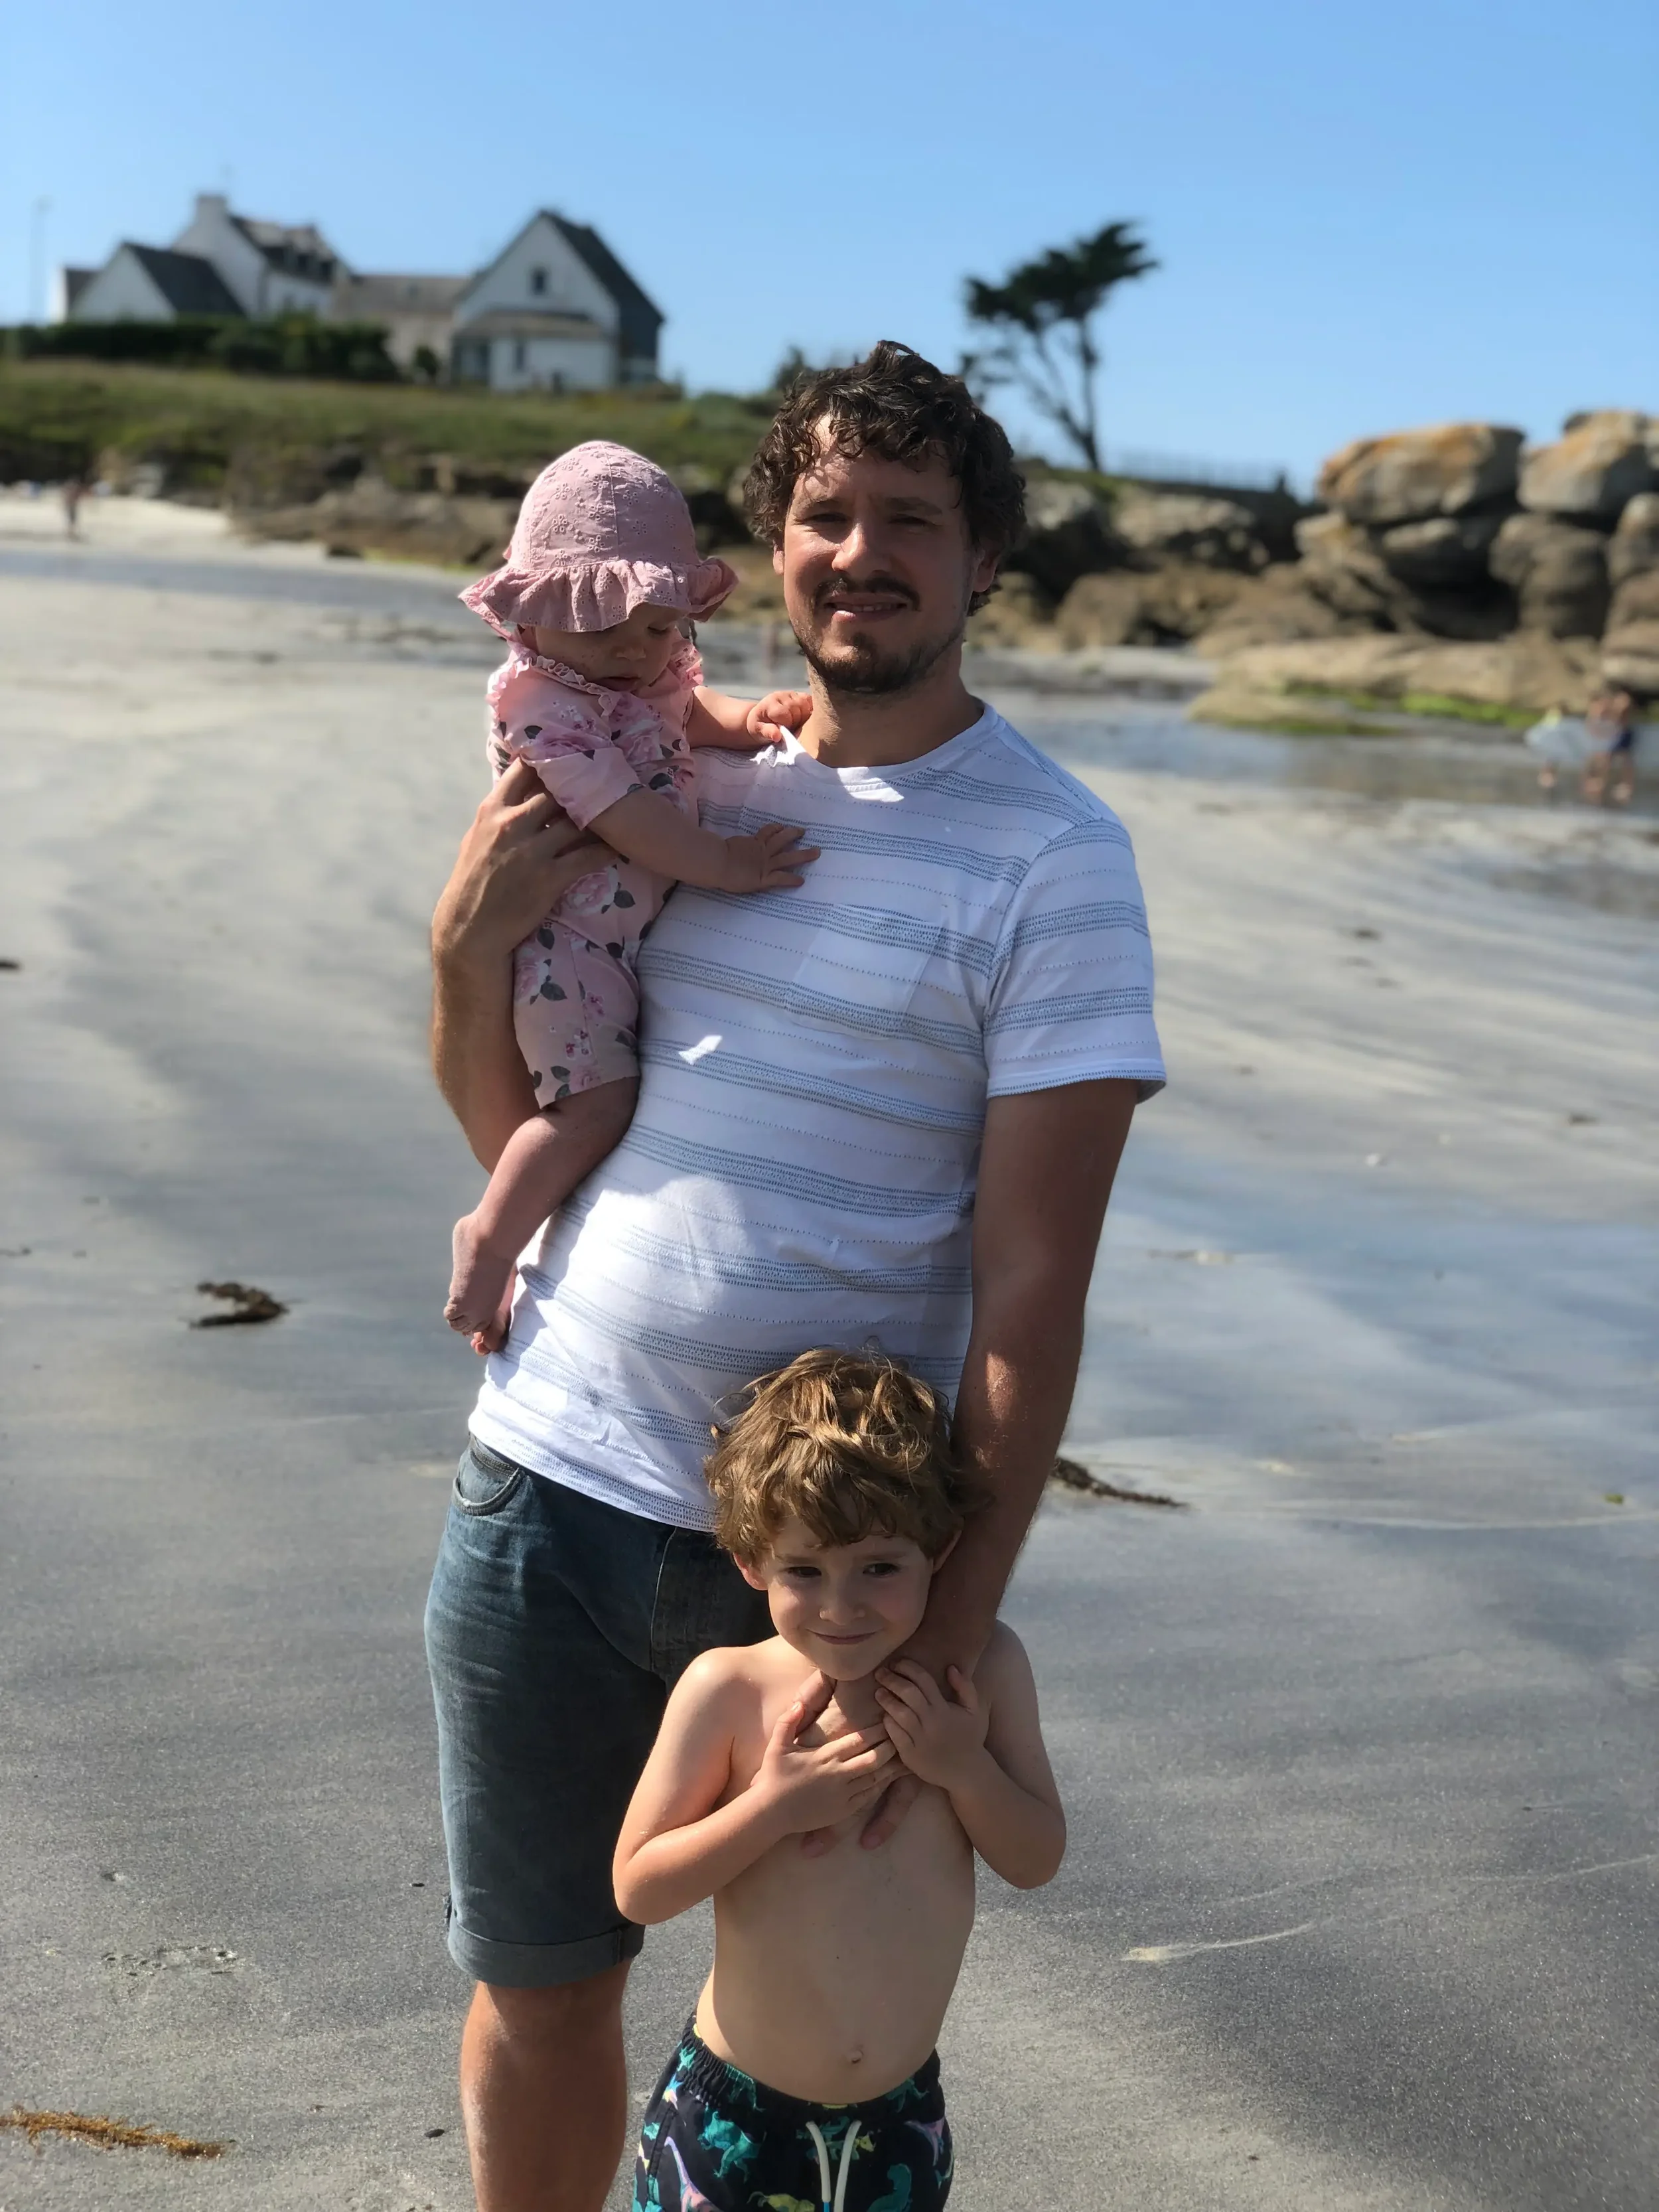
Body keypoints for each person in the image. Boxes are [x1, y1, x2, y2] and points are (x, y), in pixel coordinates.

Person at [424, 340, 1165, 2212]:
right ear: (768, 543)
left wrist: (942, 1617)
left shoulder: (1055, 862)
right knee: (540, 1979)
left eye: (910, 518)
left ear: (983, 556)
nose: (861, 551)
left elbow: (1030, 1291)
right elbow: (519, 1098)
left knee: (821, 2037)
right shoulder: (680, 765)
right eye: (824, 512)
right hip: (544, 1484)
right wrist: (463, 939)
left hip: (824, 1556)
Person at [614, 1349, 1063, 2212]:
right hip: (732, 2126)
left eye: (880, 1567)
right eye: (805, 1571)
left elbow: (1036, 1856)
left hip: (899, 2126)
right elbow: (638, 1886)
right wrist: (771, 1808)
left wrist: (962, 1766)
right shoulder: (730, 1689)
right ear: (751, 1561)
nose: (841, 1607)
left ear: (942, 1548)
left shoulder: (984, 1671)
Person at [444, 443, 815, 1344]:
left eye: (658, 627)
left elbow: (688, 712)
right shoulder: (541, 701)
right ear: (536, 614)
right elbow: (617, 810)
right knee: (592, 1108)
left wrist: (747, 719)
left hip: (616, 942)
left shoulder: (642, 673)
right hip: (562, 947)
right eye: (605, 625)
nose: (635, 650)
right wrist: (720, 864)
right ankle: (491, 1239)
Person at [1581, 686, 1638, 806]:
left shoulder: (1618, 706)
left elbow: (1617, 721)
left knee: (1614, 759)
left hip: (1618, 735)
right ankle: (1597, 784)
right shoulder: (1603, 708)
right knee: (1602, 759)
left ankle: (1619, 785)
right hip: (1609, 736)